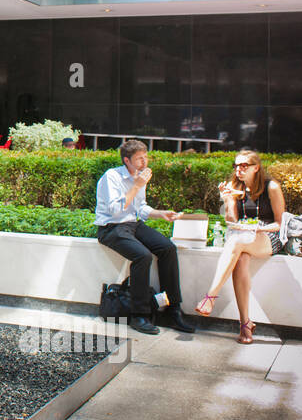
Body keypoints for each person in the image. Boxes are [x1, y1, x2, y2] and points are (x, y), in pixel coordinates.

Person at [94, 139, 192, 334]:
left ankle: (173, 309)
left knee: (167, 248)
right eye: (139, 158)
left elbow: (140, 208)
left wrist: (161, 213)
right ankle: (139, 315)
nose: (144, 162)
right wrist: (136, 186)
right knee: (143, 256)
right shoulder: (111, 176)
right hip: (111, 228)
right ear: (126, 161)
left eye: (145, 157)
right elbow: (114, 210)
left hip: (133, 224)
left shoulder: (139, 177)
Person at [196, 149, 286, 344]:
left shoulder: (271, 187)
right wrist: (228, 200)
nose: (239, 169)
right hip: (243, 238)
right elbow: (232, 220)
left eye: (244, 165)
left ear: (256, 168)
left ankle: (211, 296)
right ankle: (245, 323)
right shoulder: (234, 186)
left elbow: (280, 222)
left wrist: (256, 230)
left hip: (268, 235)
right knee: (241, 259)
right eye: (236, 165)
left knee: (237, 242)